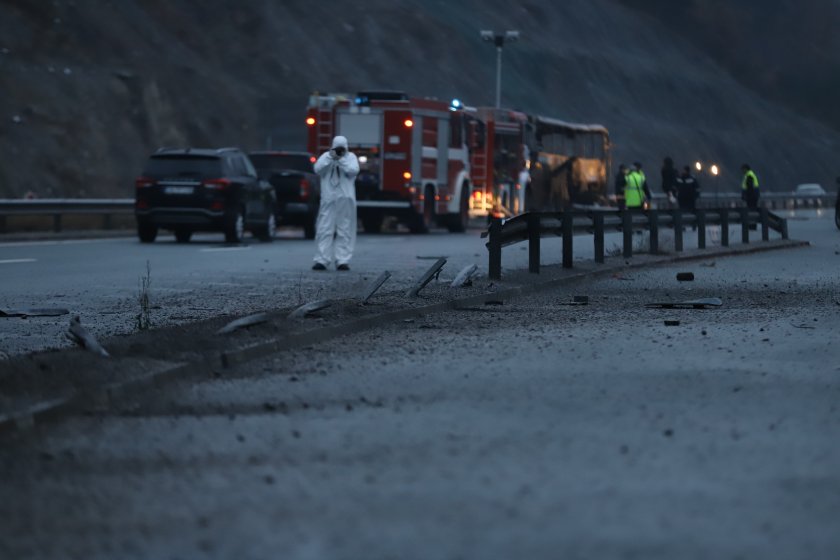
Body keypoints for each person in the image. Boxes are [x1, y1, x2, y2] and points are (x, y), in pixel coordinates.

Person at [312, 135, 359, 271]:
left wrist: (341, 160)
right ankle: (322, 259)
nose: (339, 151)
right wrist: (330, 158)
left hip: (345, 199)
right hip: (329, 199)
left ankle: (342, 260)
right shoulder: (326, 157)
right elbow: (317, 169)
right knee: (324, 228)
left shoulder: (350, 158)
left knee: (344, 229)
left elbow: (353, 171)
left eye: (342, 148)